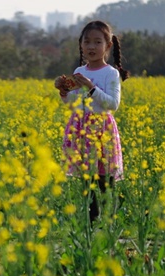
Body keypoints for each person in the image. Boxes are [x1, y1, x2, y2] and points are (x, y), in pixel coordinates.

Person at [54, 20, 129, 224]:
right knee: (87, 179)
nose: (91, 47)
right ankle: (91, 221)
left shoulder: (110, 73)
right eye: (87, 42)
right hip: (81, 129)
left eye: (97, 42)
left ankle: (108, 221)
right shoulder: (80, 72)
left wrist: (90, 87)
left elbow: (113, 104)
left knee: (105, 179)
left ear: (108, 46)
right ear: (81, 45)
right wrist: (64, 92)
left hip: (102, 128)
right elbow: (76, 103)